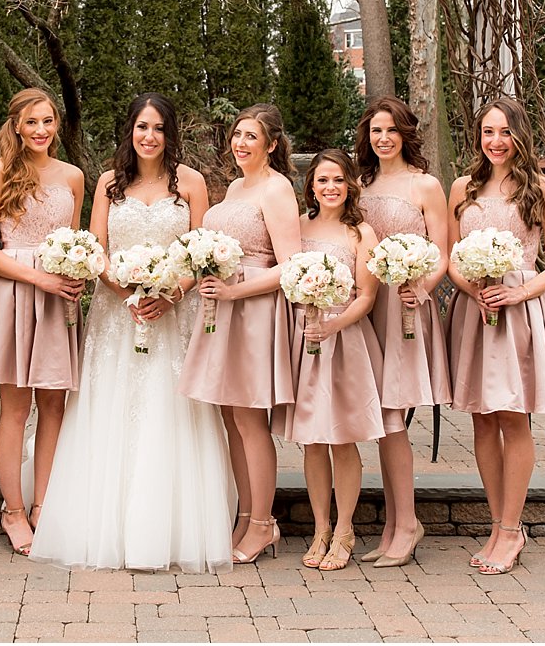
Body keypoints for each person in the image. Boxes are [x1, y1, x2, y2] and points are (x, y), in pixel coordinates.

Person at [30, 94, 233, 572]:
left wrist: (171, 294)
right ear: (130, 130)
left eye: (159, 128)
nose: (150, 136)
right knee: (112, 410)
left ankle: (171, 529)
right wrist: (126, 291)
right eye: (142, 127)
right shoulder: (107, 184)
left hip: (171, 315)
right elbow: (96, 250)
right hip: (116, 315)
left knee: (169, 410)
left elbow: (200, 251)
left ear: (170, 134)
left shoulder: (192, 184)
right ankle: (106, 527)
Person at [446, 96, 545, 576]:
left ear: (519, 135)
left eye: (503, 132)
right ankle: (499, 525)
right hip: (475, 311)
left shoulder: (543, 189)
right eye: (487, 133)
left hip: (519, 308)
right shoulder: (462, 187)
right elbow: (451, 257)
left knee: (513, 420)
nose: (495, 142)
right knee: (482, 421)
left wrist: (518, 295)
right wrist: (471, 288)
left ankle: (512, 528)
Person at [0, 88, 86, 556]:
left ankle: (43, 506)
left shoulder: (73, 176)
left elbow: (76, 239)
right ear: (16, 125)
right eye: (31, 122)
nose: (40, 130)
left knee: (54, 407)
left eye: (48, 121)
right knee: (15, 408)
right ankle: (12, 511)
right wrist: (39, 278)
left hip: (59, 301)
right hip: (14, 294)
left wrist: (72, 274)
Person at [178, 103, 300, 565]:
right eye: (237, 135)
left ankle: (264, 523)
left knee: (250, 421)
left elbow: (289, 266)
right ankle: (246, 515)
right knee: (231, 419)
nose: (241, 143)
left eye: (251, 137)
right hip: (220, 310)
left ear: (271, 144)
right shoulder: (233, 187)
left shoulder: (277, 189)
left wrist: (235, 291)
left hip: (252, 313)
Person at [273, 150, 385, 573]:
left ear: (350, 184)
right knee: (313, 440)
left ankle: (344, 530)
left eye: (338, 179)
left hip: (344, 341)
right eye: (322, 180)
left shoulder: (361, 233)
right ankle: (320, 529)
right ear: (311, 186)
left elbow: (367, 297)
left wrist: (334, 325)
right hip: (305, 339)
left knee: (341, 438)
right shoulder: (298, 229)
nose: (330, 187)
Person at [354, 97, 450, 567]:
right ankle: (395, 524)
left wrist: (422, 287)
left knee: (393, 417)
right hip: (367, 307)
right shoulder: (359, 183)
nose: (383, 138)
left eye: (391, 129)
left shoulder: (426, 186)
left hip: (407, 309)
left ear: (405, 133)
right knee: (383, 420)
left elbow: (443, 254)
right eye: (375, 130)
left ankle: (406, 524)